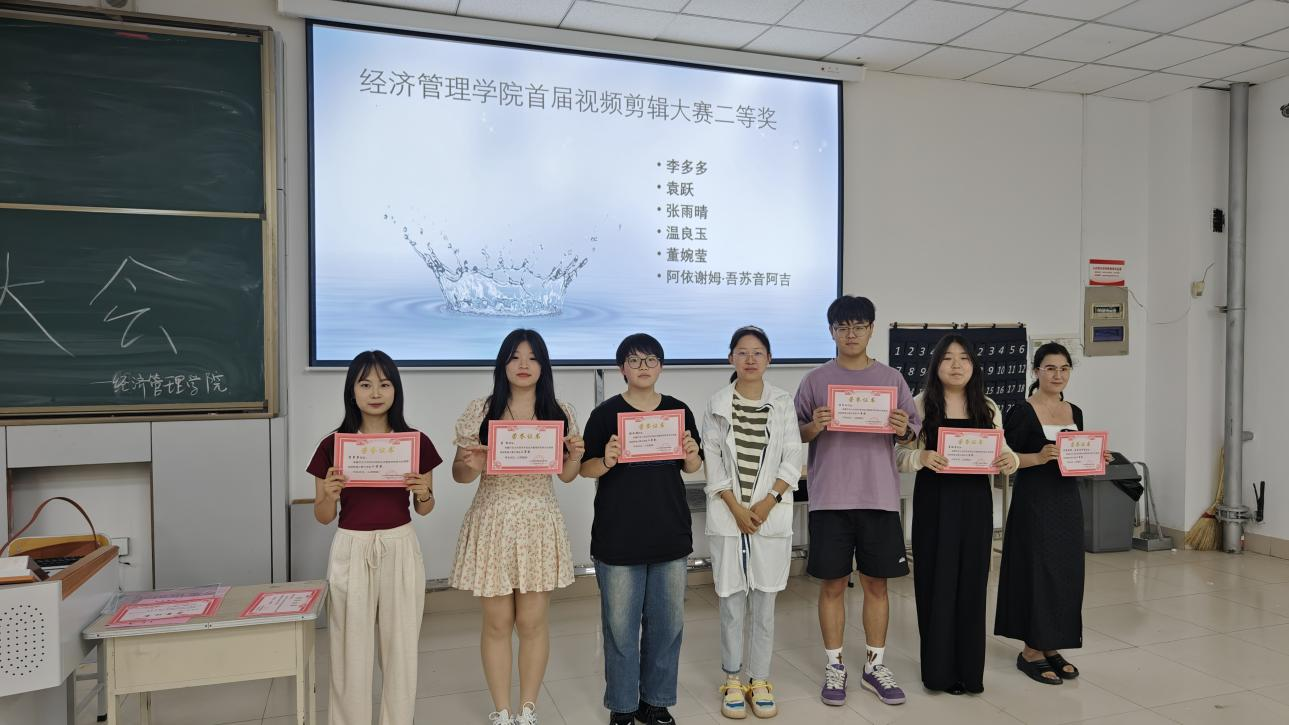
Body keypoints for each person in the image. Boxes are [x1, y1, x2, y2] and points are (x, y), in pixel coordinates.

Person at [450, 329, 585, 724]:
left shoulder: (559, 412)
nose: (523, 365)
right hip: (493, 520)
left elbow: (566, 476)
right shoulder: (481, 410)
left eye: (532, 357)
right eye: (514, 357)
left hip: (538, 522)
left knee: (531, 622)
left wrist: (575, 455)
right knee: (497, 623)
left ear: (544, 365)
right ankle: (502, 711)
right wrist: (471, 465)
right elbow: (459, 473)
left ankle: (527, 709)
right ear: (502, 364)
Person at [794, 295, 919, 707]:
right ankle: (835, 665)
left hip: (878, 497)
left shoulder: (892, 379)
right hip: (830, 498)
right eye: (843, 327)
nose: (851, 334)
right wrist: (814, 426)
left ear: (871, 329)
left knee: (876, 584)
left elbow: (911, 434)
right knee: (832, 584)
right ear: (831, 331)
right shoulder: (815, 380)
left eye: (859, 326)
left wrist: (902, 429)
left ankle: (874, 665)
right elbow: (795, 434)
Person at [307, 350, 441, 725]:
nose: (376, 393)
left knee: (401, 647)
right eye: (365, 384)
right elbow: (322, 516)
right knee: (349, 648)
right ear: (352, 391)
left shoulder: (415, 442)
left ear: (396, 389)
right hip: (351, 546)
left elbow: (425, 508)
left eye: (384, 384)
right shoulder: (333, 445)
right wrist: (328, 495)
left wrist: (424, 493)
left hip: (400, 545)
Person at [581, 333, 702, 725]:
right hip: (618, 537)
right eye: (634, 360)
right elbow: (584, 468)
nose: (643, 367)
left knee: (667, 627)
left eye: (651, 360)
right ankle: (622, 706)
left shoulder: (678, 411)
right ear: (622, 369)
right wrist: (607, 460)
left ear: (661, 366)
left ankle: (656, 701)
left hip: (669, 534)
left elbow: (692, 466)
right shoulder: (605, 414)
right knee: (620, 630)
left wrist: (692, 455)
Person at [896, 335, 1017, 694]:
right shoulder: (920, 404)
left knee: (972, 585)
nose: (956, 365)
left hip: (976, 507)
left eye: (964, 358)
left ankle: (969, 672)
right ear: (936, 365)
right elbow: (898, 455)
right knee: (935, 583)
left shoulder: (987, 406)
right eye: (948, 358)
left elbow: (1005, 451)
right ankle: (938, 673)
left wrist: (1009, 460)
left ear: (974, 365)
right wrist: (921, 457)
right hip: (935, 505)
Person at [701, 326, 803, 719]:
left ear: (769, 359)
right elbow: (714, 466)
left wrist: (768, 501)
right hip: (730, 516)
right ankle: (731, 679)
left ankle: (759, 680)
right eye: (742, 352)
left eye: (758, 352)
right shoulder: (716, 404)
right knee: (730, 601)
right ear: (731, 358)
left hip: (769, 514)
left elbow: (792, 458)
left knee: (764, 601)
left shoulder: (782, 402)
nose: (750, 359)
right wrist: (737, 508)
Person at [994, 342, 1110, 685]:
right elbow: (1005, 461)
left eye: (1064, 369)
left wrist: (1096, 458)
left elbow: (1077, 457)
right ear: (1036, 372)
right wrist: (1038, 457)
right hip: (1034, 502)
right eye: (1050, 368)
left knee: (1065, 573)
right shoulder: (1022, 411)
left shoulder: (1075, 411)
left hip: (1067, 501)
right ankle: (1031, 650)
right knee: (1037, 573)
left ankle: (1051, 643)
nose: (1058, 375)